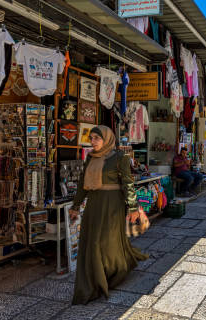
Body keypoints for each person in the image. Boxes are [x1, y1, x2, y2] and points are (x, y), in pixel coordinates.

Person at [69, 125, 148, 305]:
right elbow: (83, 183)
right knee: (93, 241)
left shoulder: (120, 157)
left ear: (107, 139)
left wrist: (133, 207)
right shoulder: (90, 157)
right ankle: (96, 277)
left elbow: (128, 183)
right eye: (92, 138)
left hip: (113, 205)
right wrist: (75, 205)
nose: (93, 142)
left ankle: (112, 272)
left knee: (105, 241)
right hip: (94, 204)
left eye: (97, 138)